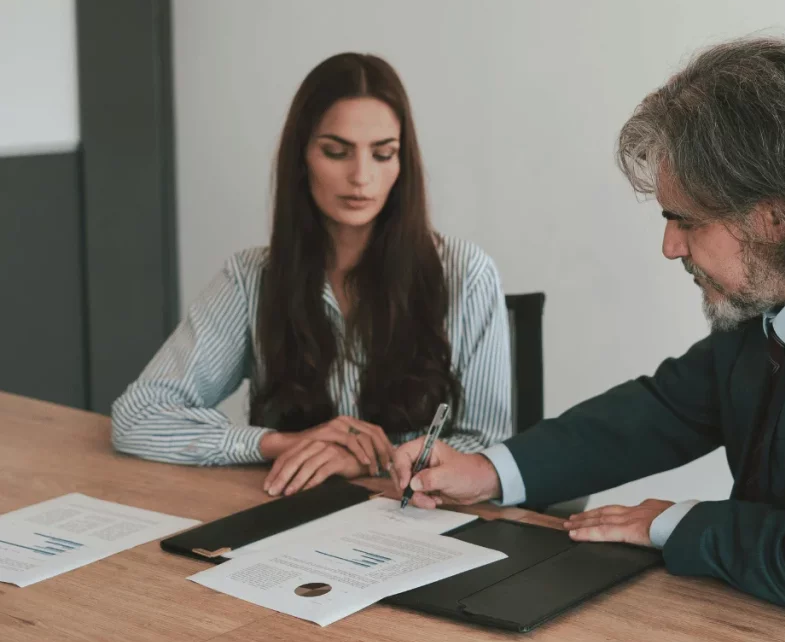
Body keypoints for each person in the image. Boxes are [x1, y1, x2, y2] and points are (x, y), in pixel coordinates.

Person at [391, 37, 785, 627]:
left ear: (772, 217)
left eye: (685, 221)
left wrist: (673, 522)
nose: (670, 246)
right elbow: (672, 407)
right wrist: (489, 470)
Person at [112, 53, 512, 498]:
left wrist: (369, 461)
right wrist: (285, 443)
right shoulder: (250, 278)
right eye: (336, 152)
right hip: (288, 510)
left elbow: (488, 448)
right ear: (302, 157)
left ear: (403, 164)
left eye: (383, 153)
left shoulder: (466, 274)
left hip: (418, 519)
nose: (361, 176)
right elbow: (138, 417)